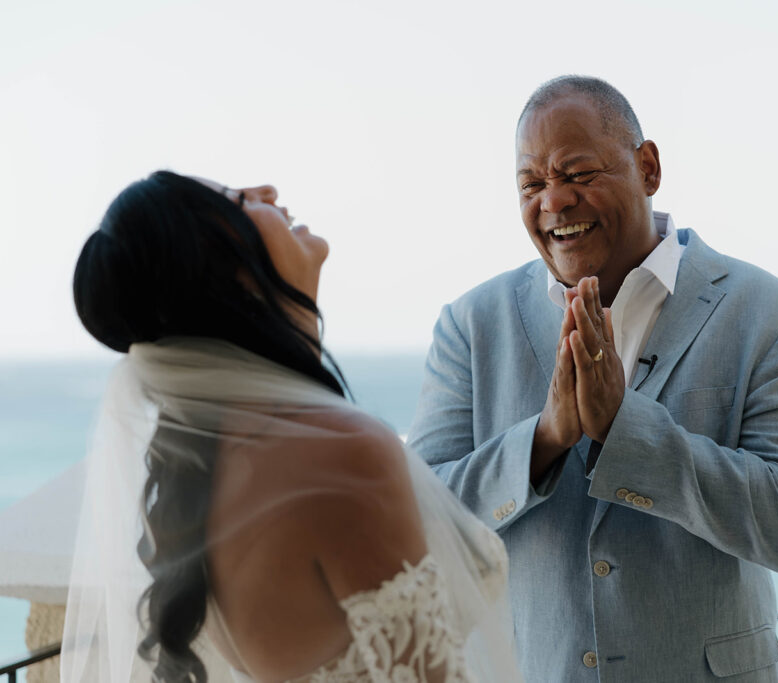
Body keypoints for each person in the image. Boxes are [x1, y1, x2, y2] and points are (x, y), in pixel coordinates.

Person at [407, 76, 778, 682]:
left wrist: (624, 431)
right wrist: (546, 439)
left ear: (648, 167)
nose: (553, 201)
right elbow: (416, 524)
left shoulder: (773, 315)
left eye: (577, 174)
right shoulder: (471, 325)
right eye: (532, 184)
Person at [64, 171, 522, 683]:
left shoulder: (205, 469)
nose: (268, 192)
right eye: (239, 200)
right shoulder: (339, 455)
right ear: (228, 273)